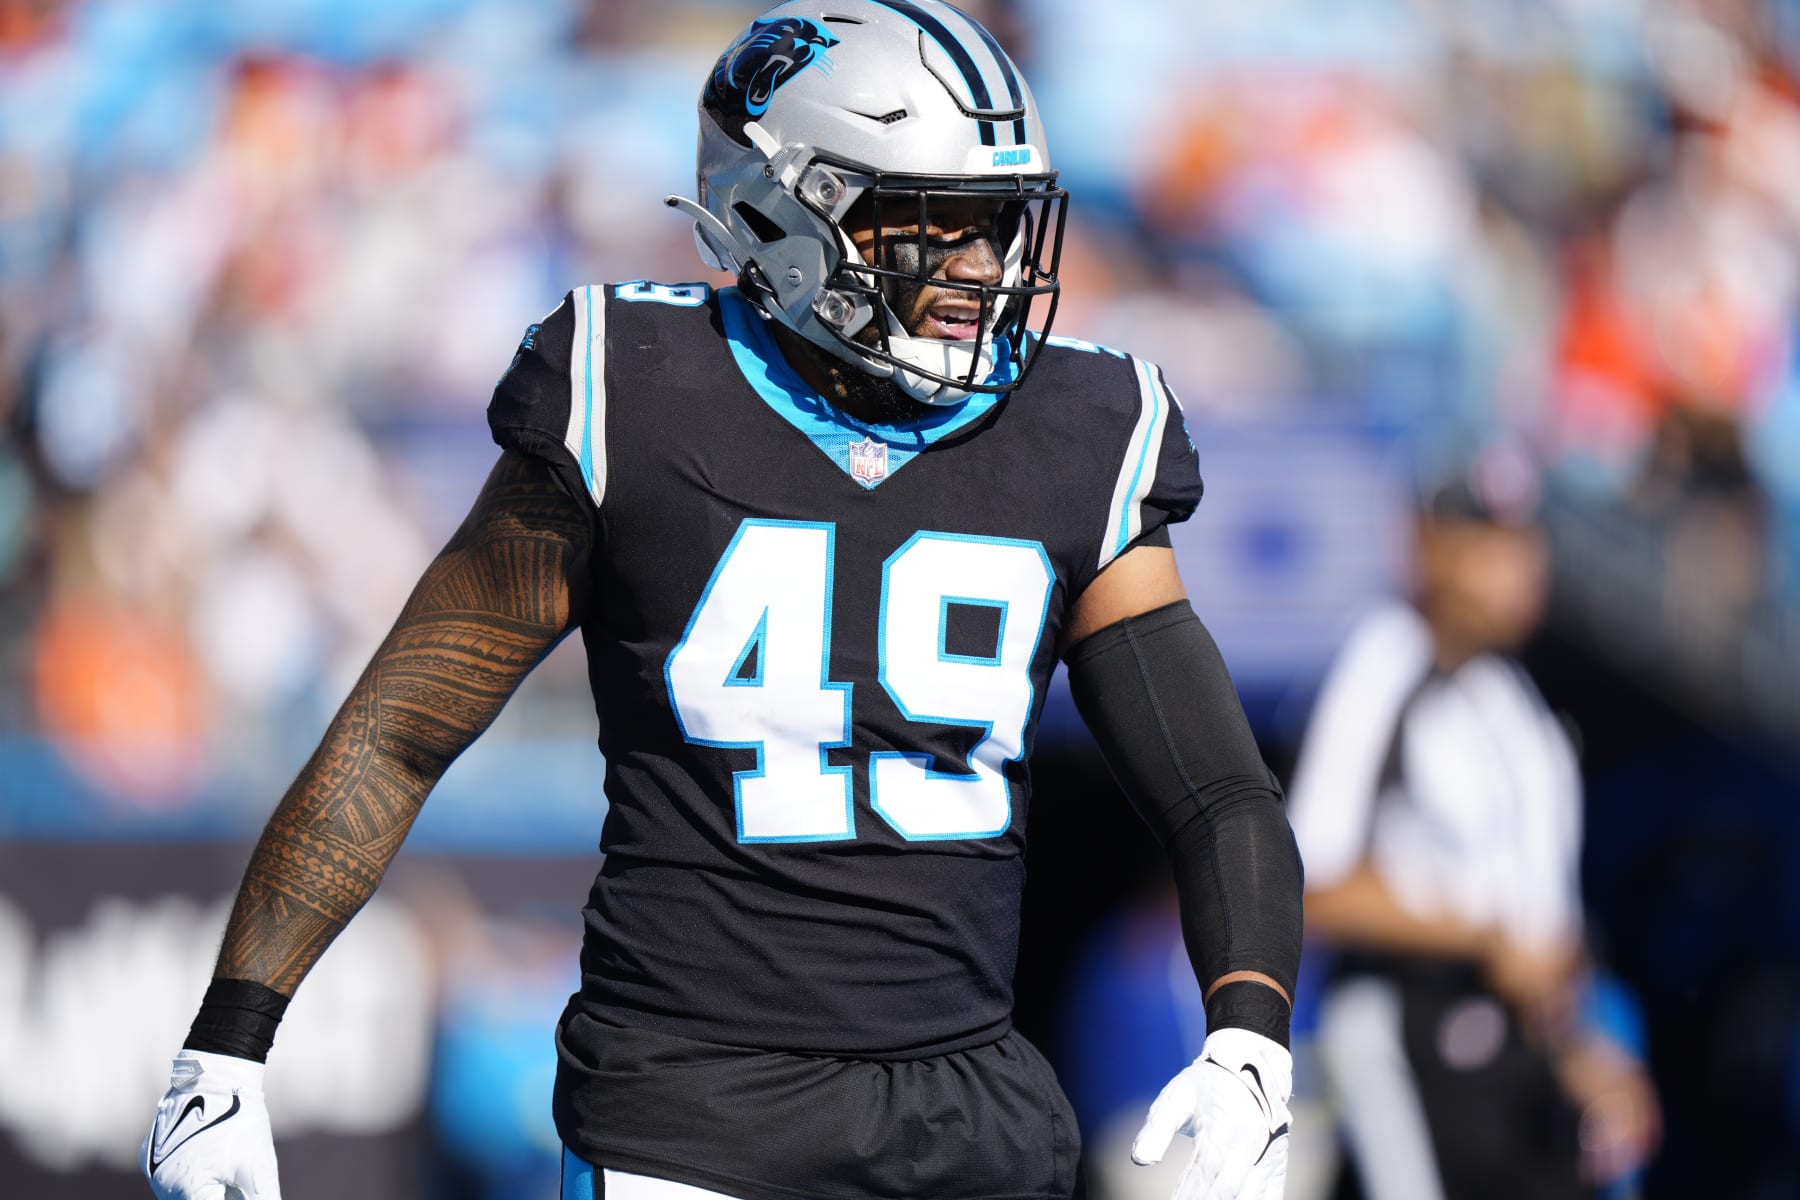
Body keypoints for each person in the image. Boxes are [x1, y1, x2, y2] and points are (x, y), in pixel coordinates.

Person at [141, 4, 1304, 1198]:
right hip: (691, 1114)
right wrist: (226, 1046)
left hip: (962, 1113)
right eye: (930, 222)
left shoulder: (1077, 428)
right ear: (782, 212)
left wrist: (1251, 1039)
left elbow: (1216, 789)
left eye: (997, 224)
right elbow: (403, 728)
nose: (981, 267)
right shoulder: (633, 389)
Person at [1285, 450, 1659, 1200]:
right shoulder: (1387, 661)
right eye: (1485, 539)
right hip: (1415, 1031)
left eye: (1524, 540)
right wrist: (1483, 935)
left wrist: (1591, 1047)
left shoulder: (1513, 697)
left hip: (1527, 1049)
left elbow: (1544, 919)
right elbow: (1307, 885)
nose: (1515, 564)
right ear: (1427, 543)